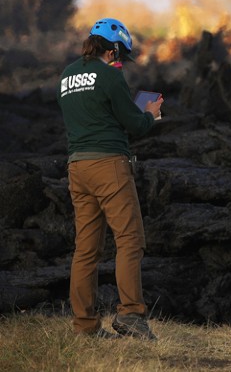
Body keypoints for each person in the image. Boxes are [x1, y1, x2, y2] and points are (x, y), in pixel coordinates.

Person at [57, 17, 163, 339]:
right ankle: (131, 315)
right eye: (120, 55)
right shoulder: (110, 76)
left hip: (77, 168)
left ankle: (85, 326)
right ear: (113, 48)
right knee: (130, 240)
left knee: (86, 250)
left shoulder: (66, 76)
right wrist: (151, 114)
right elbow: (135, 125)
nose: (121, 61)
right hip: (109, 167)